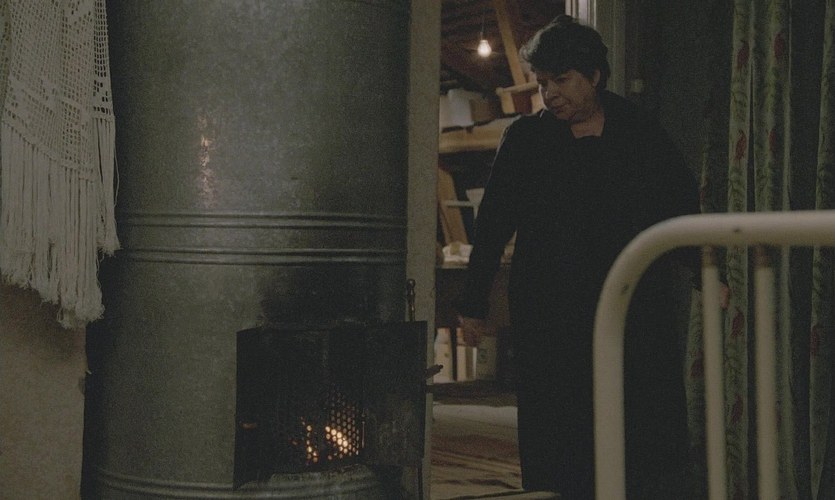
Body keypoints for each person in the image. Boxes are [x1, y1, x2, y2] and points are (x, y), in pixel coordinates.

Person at [454, 15, 699, 499]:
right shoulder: (526, 140)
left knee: (638, 427)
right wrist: (473, 302)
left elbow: (680, 204)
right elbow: (493, 224)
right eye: (543, 83)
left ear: (595, 76)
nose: (550, 94)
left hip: (632, 307)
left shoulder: (638, 131)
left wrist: (708, 272)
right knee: (557, 433)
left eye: (561, 80)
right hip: (551, 311)